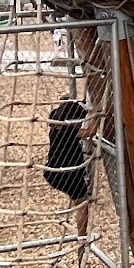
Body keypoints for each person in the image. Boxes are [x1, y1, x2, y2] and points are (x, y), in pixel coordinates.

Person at [44, 98, 93, 236]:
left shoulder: (55, 128)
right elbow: (90, 132)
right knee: (82, 204)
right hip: (68, 174)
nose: (81, 124)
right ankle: (82, 235)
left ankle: (81, 234)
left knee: (79, 200)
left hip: (53, 171)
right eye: (80, 121)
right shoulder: (69, 132)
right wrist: (99, 114)